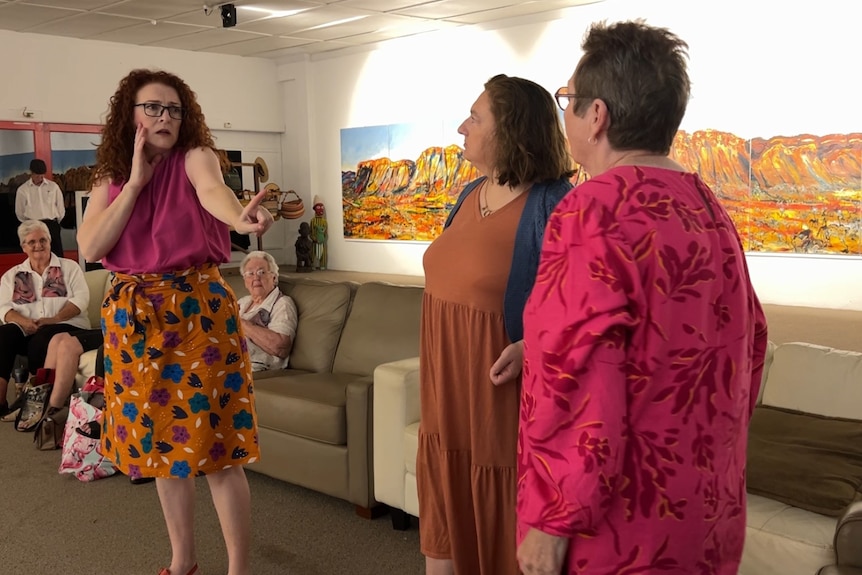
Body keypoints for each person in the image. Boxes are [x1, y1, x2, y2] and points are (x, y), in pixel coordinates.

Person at [515, 21, 769, 575]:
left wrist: (552, 522)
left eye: (568, 101)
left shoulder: (591, 210)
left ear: (597, 115)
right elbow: (750, 348)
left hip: (619, 525)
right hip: (705, 509)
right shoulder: (709, 208)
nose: (566, 114)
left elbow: (579, 378)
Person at [77, 68, 273, 575]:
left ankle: (237, 569)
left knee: (218, 450)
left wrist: (239, 220)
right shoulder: (111, 177)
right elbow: (92, 248)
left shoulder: (196, 157)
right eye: (153, 108)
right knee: (164, 449)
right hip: (135, 321)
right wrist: (137, 183)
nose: (165, 117)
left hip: (196, 318)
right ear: (131, 116)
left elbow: (214, 193)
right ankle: (183, 561)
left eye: (174, 109)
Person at [417, 74, 573, 575]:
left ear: (510, 130)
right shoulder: (468, 194)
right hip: (445, 385)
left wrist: (533, 344)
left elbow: (581, 308)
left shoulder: (554, 204)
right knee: (444, 508)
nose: (462, 126)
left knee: (499, 505)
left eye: (476, 117)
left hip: (498, 391)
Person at [0, 220, 90, 417]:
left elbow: (81, 300)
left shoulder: (69, 267)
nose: (38, 245)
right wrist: (25, 323)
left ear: (50, 242)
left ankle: (31, 399)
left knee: (44, 334)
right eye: (31, 242)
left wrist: (54, 319)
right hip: (29, 330)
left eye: (43, 240)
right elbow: (4, 308)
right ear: (23, 247)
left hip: (66, 328)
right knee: (4, 334)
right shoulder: (13, 275)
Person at [236, 250, 297, 371]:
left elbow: (280, 347)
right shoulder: (242, 303)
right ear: (245, 281)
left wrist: (240, 323)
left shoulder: (282, 303)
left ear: (273, 277)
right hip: (232, 360)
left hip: (255, 366)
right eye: (250, 273)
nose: (256, 277)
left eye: (262, 272)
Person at [15, 159, 65, 258]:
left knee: (57, 255)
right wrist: (29, 224)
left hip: (51, 224)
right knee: (36, 255)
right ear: (31, 173)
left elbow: (60, 208)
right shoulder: (23, 190)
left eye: (42, 175)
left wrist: (55, 222)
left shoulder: (53, 187)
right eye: (38, 175)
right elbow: (19, 212)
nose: (40, 178)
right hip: (32, 225)